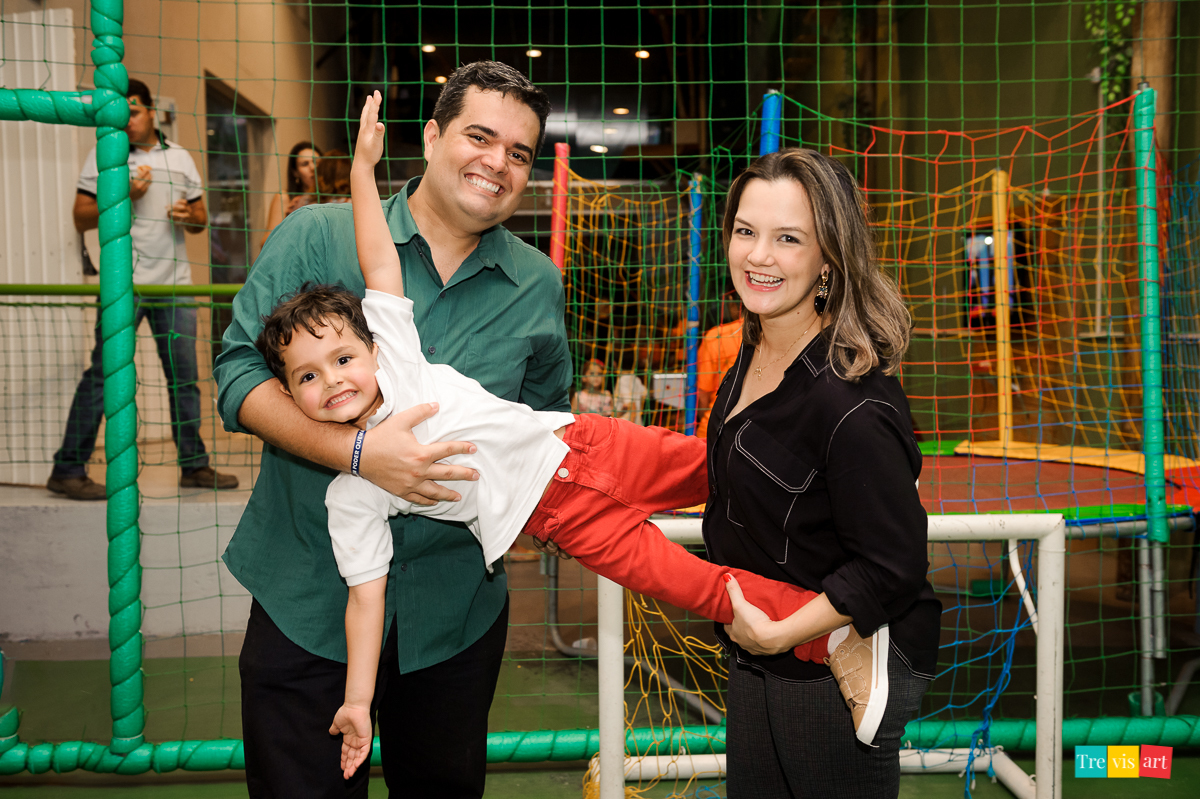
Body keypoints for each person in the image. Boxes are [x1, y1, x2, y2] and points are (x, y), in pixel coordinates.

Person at [259, 93, 854, 778]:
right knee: (701, 586)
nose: (333, 380)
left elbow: (378, 260)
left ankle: (845, 475)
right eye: (307, 377)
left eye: (341, 358)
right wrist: (358, 701)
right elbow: (366, 598)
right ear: (293, 398)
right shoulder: (351, 495)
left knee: (727, 464)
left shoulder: (396, 354)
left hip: (583, 445)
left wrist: (363, 169)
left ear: (368, 346)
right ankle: (837, 634)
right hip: (563, 522)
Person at [213, 62, 570, 799]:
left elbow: (543, 420)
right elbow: (238, 374)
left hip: (455, 613)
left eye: (519, 152)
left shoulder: (537, 283)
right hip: (308, 598)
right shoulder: (318, 235)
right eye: (479, 136)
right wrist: (357, 453)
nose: (497, 162)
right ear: (432, 137)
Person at [708, 149, 941, 797]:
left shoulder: (852, 402)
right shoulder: (754, 351)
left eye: (788, 238)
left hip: (832, 660)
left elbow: (893, 567)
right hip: (758, 646)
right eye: (746, 231)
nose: (758, 255)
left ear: (828, 259)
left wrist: (782, 632)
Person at [47, 77, 238, 501]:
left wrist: (188, 214)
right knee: (103, 374)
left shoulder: (182, 158)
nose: (126, 120)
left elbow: (201, 219)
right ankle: (67, 469)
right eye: (120, 114)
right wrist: (122, 195)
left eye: (132, 112)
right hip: (122, 287)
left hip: (175, 287)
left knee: (184, 380)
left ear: (152, 112)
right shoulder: (105, 154)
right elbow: (80, 217)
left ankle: (194, 466)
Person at [695, 291, 743, 436]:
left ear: (731, 301)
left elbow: (702, 395)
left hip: (715, 428)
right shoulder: (777, 336)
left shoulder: (717, 336)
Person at [261, 141, 321, 246]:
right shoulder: (285, 198)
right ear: (295, 172)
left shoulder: (336, 198)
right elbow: (266, 244)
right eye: (305, 164)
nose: (313, 168)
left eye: (317, 162)